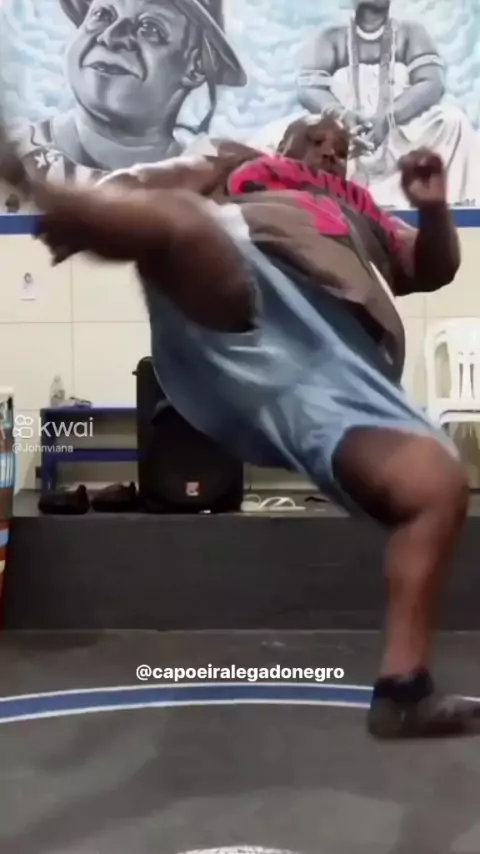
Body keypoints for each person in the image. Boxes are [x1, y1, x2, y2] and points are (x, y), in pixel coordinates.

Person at [1, 113, 479, 739]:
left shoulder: (361, 209)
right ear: (283, 144)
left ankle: (403, 693)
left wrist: (435, 208)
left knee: (437, 487)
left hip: (335, 362)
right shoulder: (244, 164)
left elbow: (431, 268)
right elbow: (160, 181)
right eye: (315, 140)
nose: (328, 152)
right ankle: (25, 178)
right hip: (248, 287)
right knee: (181, 221)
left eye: (339, 148)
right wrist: (96, 209)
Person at [257, 0, 480, 207]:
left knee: (454, 123)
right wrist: (342, 116)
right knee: (275, 136)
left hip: (401, 130)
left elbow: (431, 82)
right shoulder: (332, 37)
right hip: (343, 135)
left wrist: (388, 118)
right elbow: (309, 87)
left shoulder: (411, 33)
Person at [11, 0, 246, 184]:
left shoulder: (212, 185)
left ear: (196, 67)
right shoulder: (11, 159)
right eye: (102, 15)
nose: (111, 36)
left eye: (150, 28)